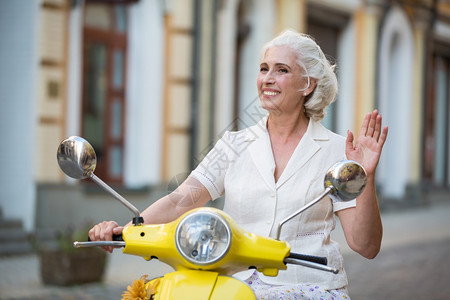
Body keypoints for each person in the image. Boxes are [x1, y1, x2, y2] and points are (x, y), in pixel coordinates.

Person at [89, 29, 388, 299]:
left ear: (307, 85)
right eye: (263, 69)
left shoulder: (337, 150)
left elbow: (366, 246)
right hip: (235, 288)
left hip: (310, 289)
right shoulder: (233, 144)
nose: (267, 78)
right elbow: (181, 201)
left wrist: (367, 176)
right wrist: (124, 232)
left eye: (281, 70)